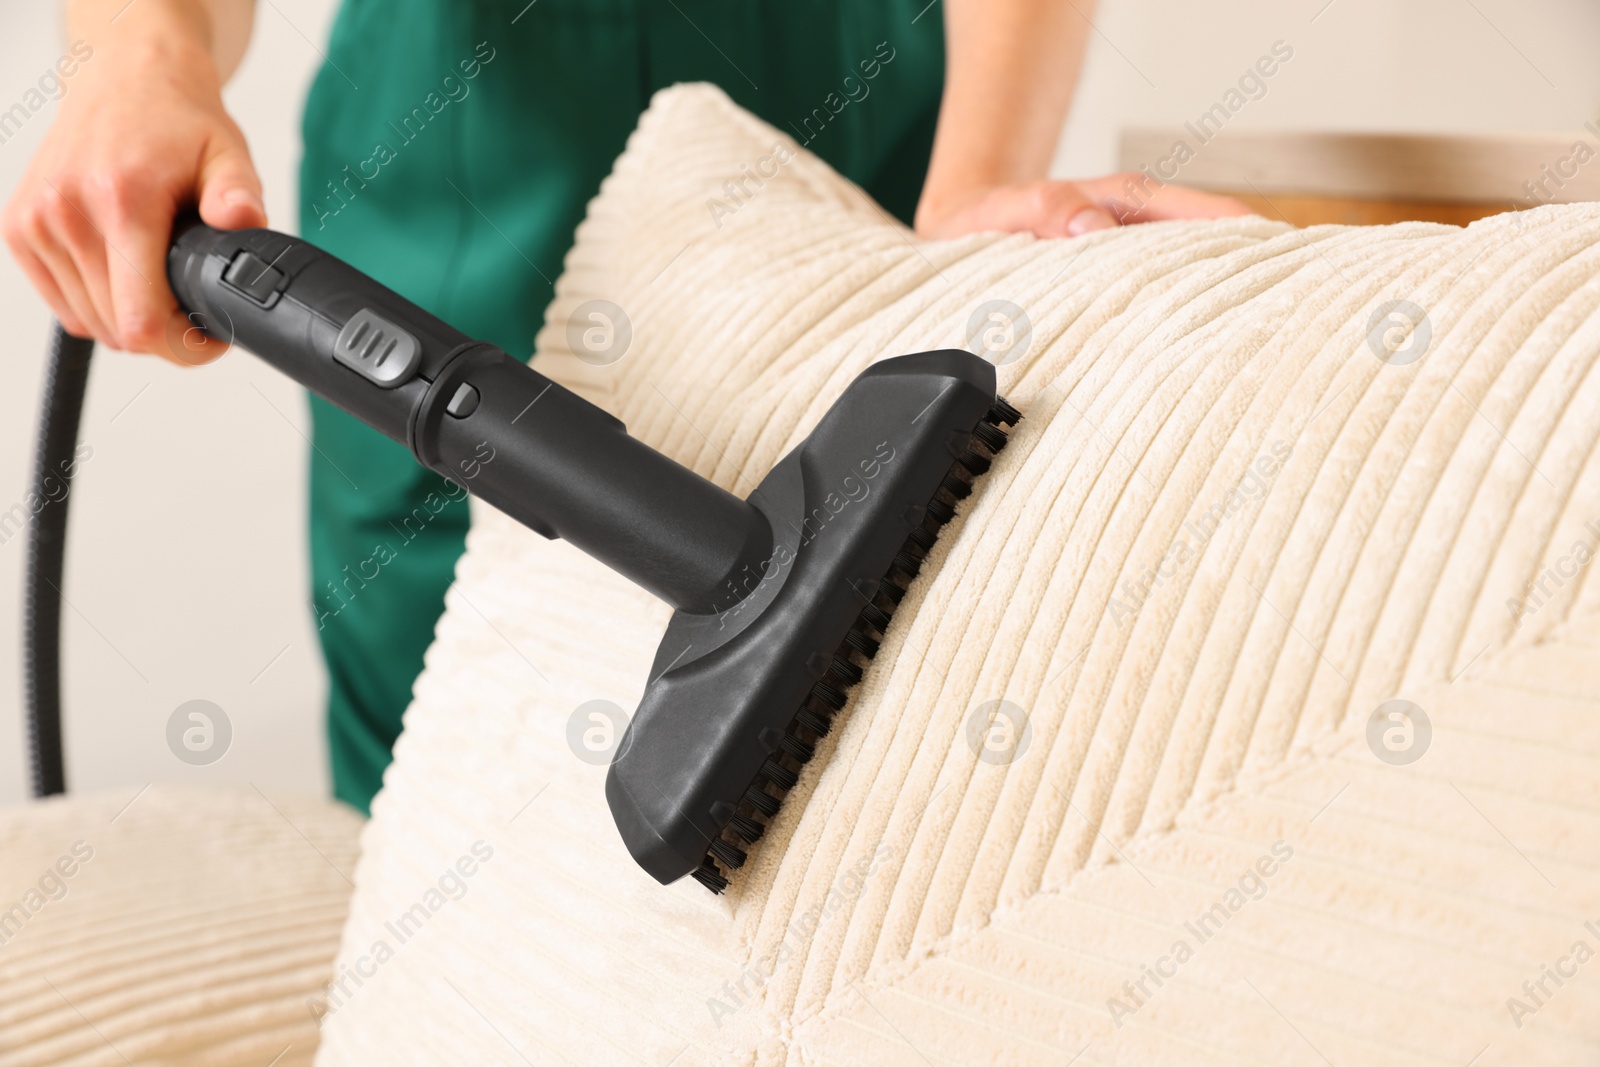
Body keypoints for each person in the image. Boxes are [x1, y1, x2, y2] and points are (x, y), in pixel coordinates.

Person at [4, 0, 1249, 814]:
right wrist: (139, 59)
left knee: (890, 736)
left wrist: (971, 181)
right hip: (451, 144)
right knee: (441, 795)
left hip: (841, 104)